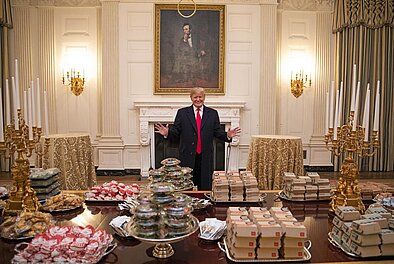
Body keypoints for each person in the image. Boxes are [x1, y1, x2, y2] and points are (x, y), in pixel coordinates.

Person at [154, 87, 241, 190]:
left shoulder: (212, 113)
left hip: (205, 155)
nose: (198, 99)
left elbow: (217, 132)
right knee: (186, 184)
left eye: (200, 97)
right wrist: (167, 132)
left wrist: (227, 135)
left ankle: (205, 203)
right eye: (195, 97)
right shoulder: (182, 113)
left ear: (204, 98)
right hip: (187, 154)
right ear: (191, 98)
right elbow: (176, 132)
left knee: (205, 184)